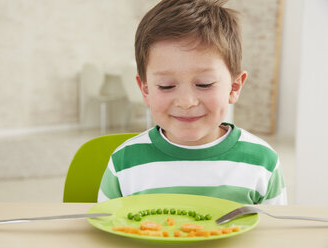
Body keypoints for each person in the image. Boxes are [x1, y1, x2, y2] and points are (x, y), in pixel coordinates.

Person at [97, 0, 287, 205]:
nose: (186, 102)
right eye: (166, 86)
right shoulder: (124, 162)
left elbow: (274, 234)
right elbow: (107, 226)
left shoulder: (263, 162)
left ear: (234, 87)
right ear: (146, 90)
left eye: (204, 84)